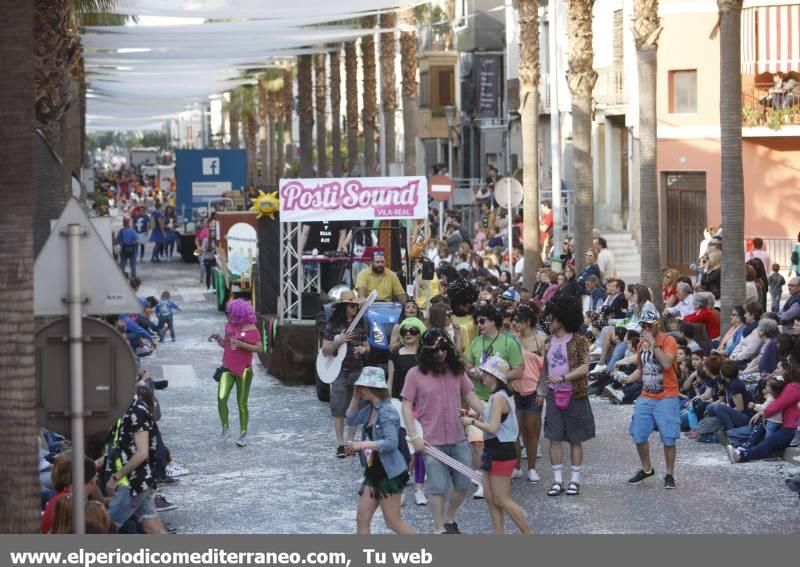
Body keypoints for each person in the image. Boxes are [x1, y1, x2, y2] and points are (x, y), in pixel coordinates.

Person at [401, 330, 484, 534]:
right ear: (427, 352)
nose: (440, 353)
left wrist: (492, 414)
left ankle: (449, 517)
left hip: (457, 437)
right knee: (438, 487)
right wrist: (414, 437)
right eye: (435, 350)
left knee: (463, 483)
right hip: (431, 441)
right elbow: (405, 406)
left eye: (443, 348)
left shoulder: (456, 370)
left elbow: (470, 396)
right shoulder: (415, 374)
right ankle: (439, 528)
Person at [461, 356, 531, 534]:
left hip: (501, 449)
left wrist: (471, 422)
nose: (481, 375)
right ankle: (498, 533)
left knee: (501, 498)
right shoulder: (497, 396)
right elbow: (493, 421)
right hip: (494, 448)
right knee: (490, 497)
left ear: (494, 375)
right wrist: (476, 417)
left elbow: (493, 427)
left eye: (485, 372)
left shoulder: (498, 397)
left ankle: (528, 533)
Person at [536, 295, 595, 497]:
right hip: (554, 396)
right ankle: (557, 481)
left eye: (551, 318)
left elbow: (585, 367)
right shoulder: (547, 341)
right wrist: (541, 390)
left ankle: (575, 481)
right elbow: (545, 369)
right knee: (553, 438)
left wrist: (563, 378)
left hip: (575, 395)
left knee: (576, 439)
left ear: (561, 318)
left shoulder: (579, 340)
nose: (548, 322)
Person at [345, 367, 416, 535]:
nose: (358, 390)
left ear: (370, 388)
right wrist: (354, 397)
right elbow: (351, 418)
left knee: (393, 523)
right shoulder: (371, 409)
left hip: (389, 473)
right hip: (374, 471)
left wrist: (361, 445)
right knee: (362, 518)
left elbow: (391, 443)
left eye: (360, 387)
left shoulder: (387, 411)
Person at [625, 304, 680, 489]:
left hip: (667, 395)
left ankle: (669, 474)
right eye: (643, 325)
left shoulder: (668, 340)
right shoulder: (641, 344)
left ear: (657, 324)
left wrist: (653, 343)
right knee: (638, 435)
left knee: (668, 437)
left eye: (649, 324)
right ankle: (647, 469)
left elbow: (666, 363)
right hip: (646, 396)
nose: (646, 328)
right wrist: (624, 379)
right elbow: (641, 371)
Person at [104, 386, 167, 534]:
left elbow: (141, 453)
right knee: (153, 528)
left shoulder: (135, 411)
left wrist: (116, 477)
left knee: (106, 528)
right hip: (136, 480)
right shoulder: (126, 408)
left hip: (132, 482)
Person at [321, 290, 369, 458]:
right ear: (343, 307)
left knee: (355, 407)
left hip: (357, 369)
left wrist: (363, 349)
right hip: (339, 371)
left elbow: (366, 345)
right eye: (351, 305)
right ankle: (340, 443)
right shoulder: (332, 325)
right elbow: (325, 350)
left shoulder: (361, 323)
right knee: (339, 407)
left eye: (356, 305)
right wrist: (338, 341)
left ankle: (351, 442)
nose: (355, 308)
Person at [208, 299, 262, 447]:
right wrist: (218, 338)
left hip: (244, 369)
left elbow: (259, 348)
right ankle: (226, 428)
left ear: (239, 314)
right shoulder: (229, 326)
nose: (228, 316)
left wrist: (241, 344)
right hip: (227, 367)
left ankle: (243, 434)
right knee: (221, 398)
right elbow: (226, 345)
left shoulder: (251, 328)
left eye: (230, 313)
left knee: (242, 402)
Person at [728, 353, 800, 463]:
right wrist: (762, 412)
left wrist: (763, 412)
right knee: (756, 433)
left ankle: (743, 455)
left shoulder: (793, 387)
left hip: (790, 427)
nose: (775, 370)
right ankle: (744, 448)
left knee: (768, 442)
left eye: (778, 368)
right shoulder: (789, 385)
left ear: (786, 370)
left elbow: (777, 405)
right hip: (783, 424)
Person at [511, 304, 546, 482]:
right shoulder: (512, 339)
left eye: (518, 321)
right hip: (515, 390)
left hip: (534, 391)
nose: (515, 324)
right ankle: (516, 467)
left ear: (527, 321)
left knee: (531, 432)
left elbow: (545, 368)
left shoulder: (541, 339)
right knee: (514, 431)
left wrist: (542, 391)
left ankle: (532, 468)